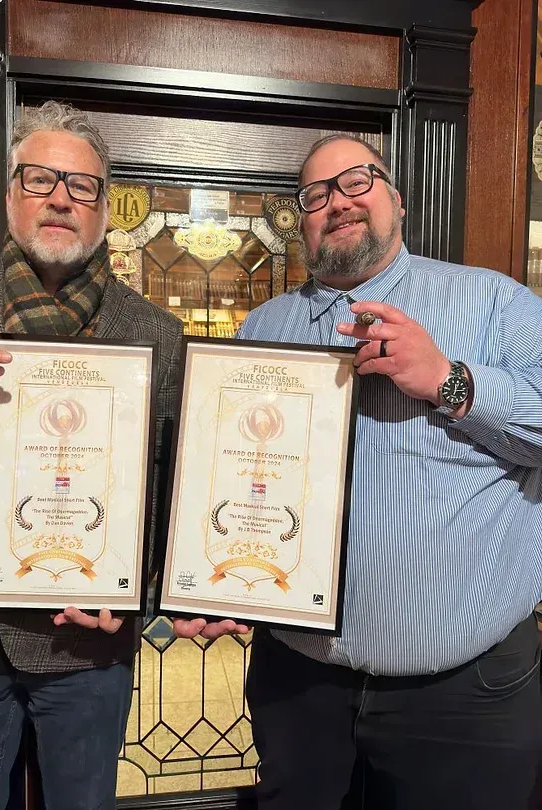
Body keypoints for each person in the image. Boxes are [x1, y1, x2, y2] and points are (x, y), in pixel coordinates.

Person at [174, 134, 542, 810]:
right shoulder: (262, 328)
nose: (336, 203)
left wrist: (448, 379)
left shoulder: (495, 303)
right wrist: (212, 584)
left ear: (397, 201)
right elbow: (225, 478)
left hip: (463, 701)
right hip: (300, 687)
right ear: (301, 224)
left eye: (356, 182)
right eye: (315, 196)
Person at [0, 100, 182, 810]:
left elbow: (167, 491)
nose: (60, 200)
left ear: (106, 208)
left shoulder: (154, 332)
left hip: (85, 642)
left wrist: (141, 595)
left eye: (82, 187)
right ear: (11, 192)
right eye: (41, 179)